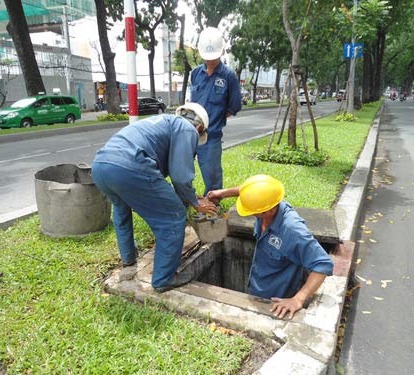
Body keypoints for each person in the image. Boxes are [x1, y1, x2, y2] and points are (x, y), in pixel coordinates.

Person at [91, 103, 217, 293]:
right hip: (130, 166)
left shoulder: (163, 122)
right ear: (199, 127)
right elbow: (180, 176)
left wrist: (189, 194)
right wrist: (195, 202)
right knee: (173, 216)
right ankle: (163, 279)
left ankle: (129, 258)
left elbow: (171, 177)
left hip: (101, 166)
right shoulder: (187, 129)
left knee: (121, 210)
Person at [207, 175, 334, 319]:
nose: (251, 214)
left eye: (253, 211)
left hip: (274, 301)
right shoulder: (268, 199)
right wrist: (222, 193)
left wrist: (298, 299)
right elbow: (246, 189)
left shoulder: (292, 231)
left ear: (269, 211)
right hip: (256, 283)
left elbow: (323, 264)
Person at [190, 27, 242, 195]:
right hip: (190, 132)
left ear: (221, 52)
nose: (210, 61)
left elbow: (233, 106)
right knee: (182, 170)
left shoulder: (229, 76)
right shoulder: (195, 73)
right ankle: (187, 201)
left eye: (213, 58)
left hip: (211, 136)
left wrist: (213, 119)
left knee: (211, 174)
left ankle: (213, 204)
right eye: (207, 58)